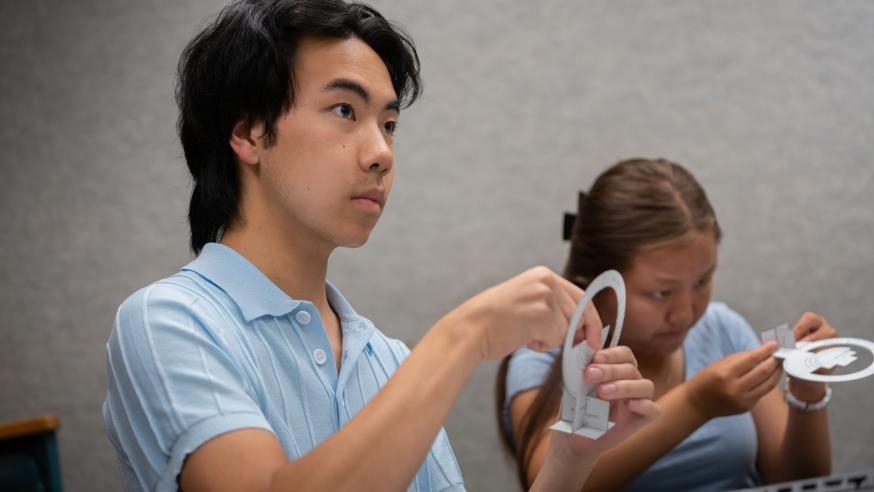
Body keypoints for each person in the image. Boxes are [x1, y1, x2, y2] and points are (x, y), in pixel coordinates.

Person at [101, 2, 659, 491]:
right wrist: (465, 335)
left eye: (388, 123)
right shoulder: (167, 322)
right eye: (345, 110)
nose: (382, 153)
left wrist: (568, 463)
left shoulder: (389, 362)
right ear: (248, 133)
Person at [497, 158, 836, 491]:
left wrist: (808, 395)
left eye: (702, 282)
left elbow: (797, 480)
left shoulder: (722, 328)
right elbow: (548, 481)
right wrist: (695, 403)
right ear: (601, 284)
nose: (685, 313)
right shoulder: (551, 354)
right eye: (661, 293)